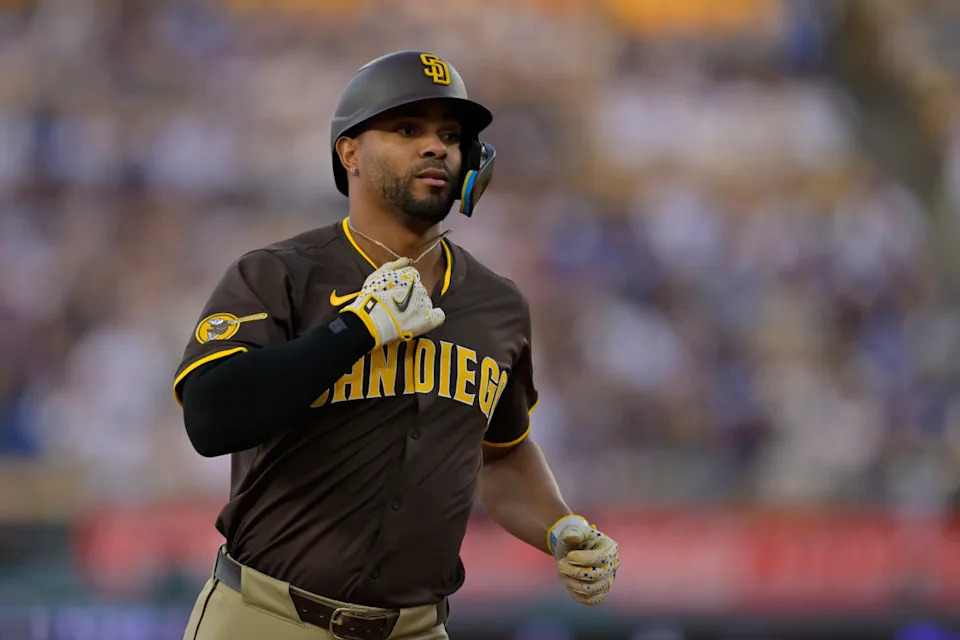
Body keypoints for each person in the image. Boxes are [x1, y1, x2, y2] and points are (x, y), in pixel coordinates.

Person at [174, 50, 620, 640]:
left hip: (416, 628)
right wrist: (354, 329)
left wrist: (559, 526)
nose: (435, 147)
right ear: (349, 152)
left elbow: (503, 452)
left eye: (450, 135)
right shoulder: (279, 274)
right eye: (407, 129)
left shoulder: (496, 303)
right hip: (267, 615)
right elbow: (212, 417)